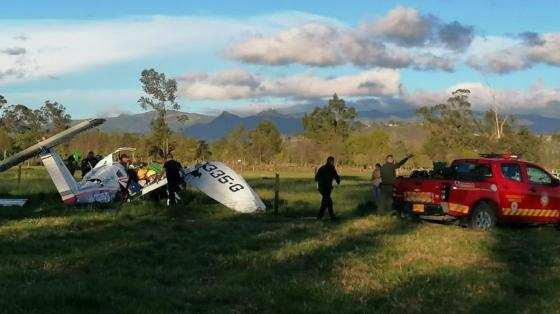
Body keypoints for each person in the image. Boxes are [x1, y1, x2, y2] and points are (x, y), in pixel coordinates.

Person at [315, 156, 341, 221]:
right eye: (332, 161)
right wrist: (338, 180)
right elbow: (336, 176)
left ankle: (321, 217)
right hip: (325, 187)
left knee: (325, 202)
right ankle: (331, 217)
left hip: (322, 187)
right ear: (330, 161)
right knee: (328, 201)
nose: (333, 162)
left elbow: (316, 178)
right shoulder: (331, 168)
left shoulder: (322, 168)